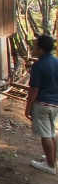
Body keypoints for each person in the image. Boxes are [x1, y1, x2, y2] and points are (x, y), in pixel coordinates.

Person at [25, 34, 58, 174]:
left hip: (42, 104)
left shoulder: (38, 65)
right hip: (55, 104)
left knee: (45, 135)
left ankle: (50, 165)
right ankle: (53, 159)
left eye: (35, 45)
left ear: (41, 50)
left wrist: (28, 107)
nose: (33, 47)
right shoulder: (56, 62)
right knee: (52, 132)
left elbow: (34, 89)